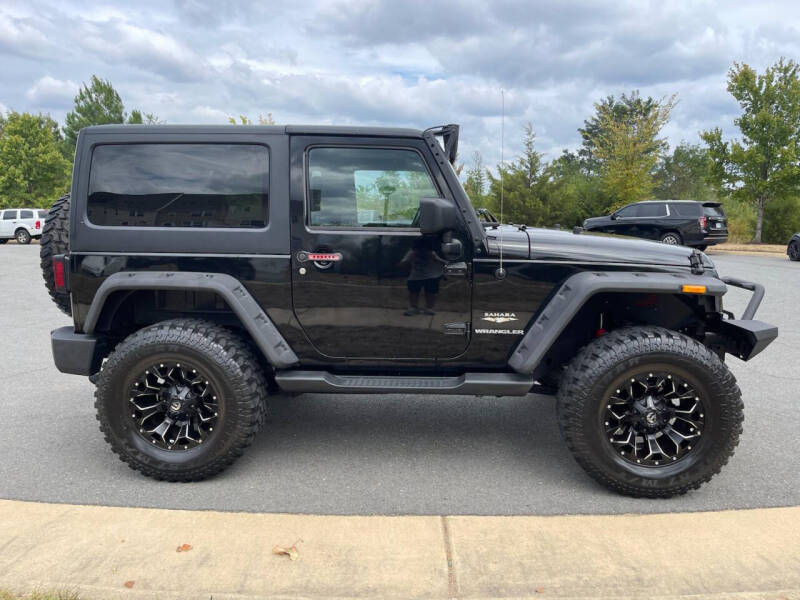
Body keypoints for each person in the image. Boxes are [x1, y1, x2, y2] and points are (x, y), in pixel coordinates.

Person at [399, 236, 447, 316]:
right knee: (413, 291)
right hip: (415, 276)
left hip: (431, 276)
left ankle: (429, 308)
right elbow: (401, 265)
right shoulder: (412, 253)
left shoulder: (432, 254)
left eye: (424, 249)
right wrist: (409, 260)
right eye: (418, 249)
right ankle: (413, 307)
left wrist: (436, 259)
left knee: (430, 292)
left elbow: (445, 263)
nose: (421, 252)